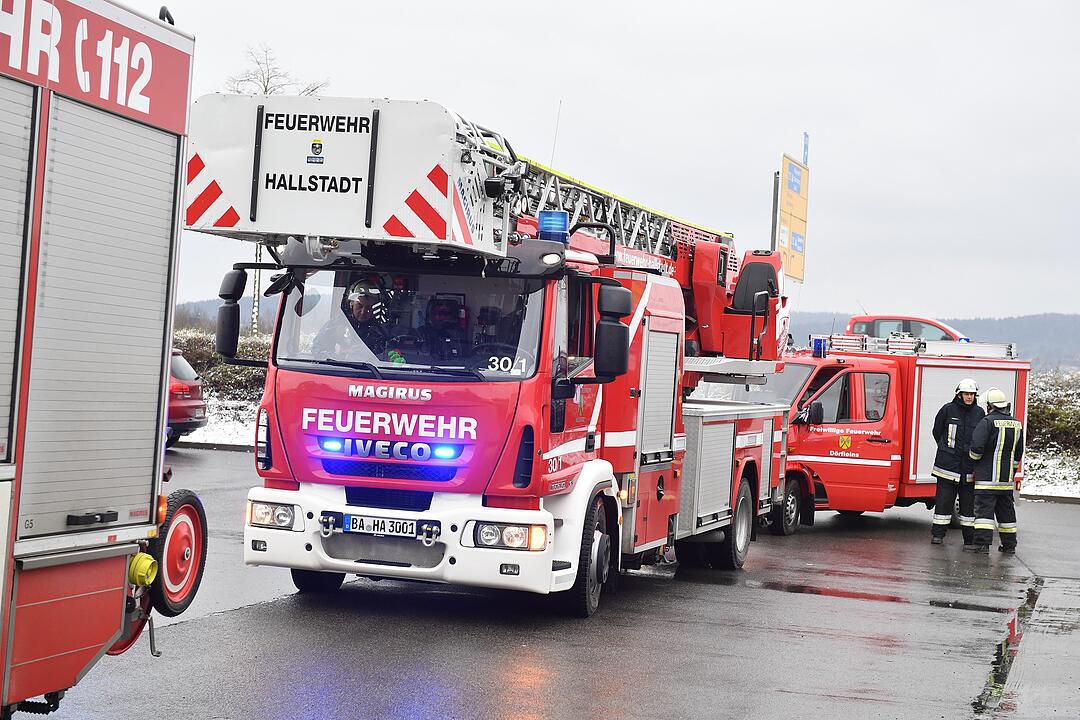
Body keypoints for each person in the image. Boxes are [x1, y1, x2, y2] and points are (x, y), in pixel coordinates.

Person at [966, 387, 1024, 554]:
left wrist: (973, 461)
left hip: (986, 479)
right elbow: (1018, 453)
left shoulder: (987, 422)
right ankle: (1009, 545)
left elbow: (976, 448)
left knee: (984, 514)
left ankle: (982, 544)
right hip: (1005, 481)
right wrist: (1011, 472)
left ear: (990, 406)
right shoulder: (1016, 424)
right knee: (1006, 514)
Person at [929, 378, 984, 546]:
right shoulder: (947, 410)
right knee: (943, 504)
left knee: (968, 508)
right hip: (947, 467)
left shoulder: (979, 413)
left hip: (968, 468)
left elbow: (981, 438)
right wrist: (946, 450)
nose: (969, 397)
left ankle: (969, 540)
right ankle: (938, 535)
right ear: (959, 395)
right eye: (966, 394)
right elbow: (937, 432)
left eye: (972, 394)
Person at [313, 278, 390, 359]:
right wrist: (339, 354)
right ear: (351, 304)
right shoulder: (335, 325)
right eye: (359, 306)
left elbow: (386, 355)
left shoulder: (379, 331)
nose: (363, 312)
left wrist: (367, 352)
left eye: (368, 307)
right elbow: (317, 350)